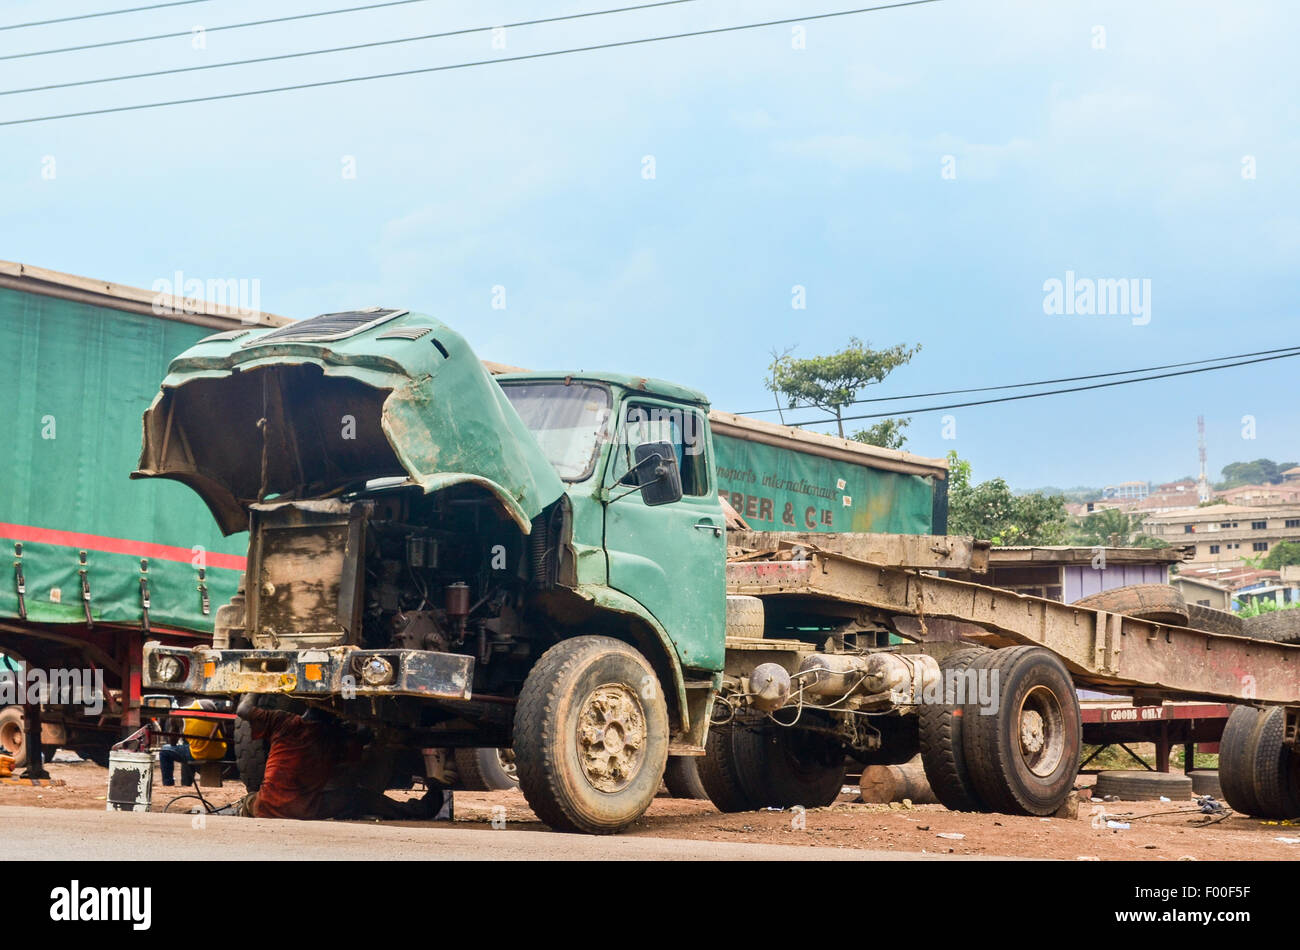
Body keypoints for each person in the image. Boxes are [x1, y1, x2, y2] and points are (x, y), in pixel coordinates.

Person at [230, 693, 446, 821]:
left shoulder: (283, 722)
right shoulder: (335, 738)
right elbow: (363, 747)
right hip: (305, 811)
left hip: (265, 807)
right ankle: (420, 810)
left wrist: (254, 682)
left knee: (252, 800)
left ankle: (244, 808)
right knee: (359, 797)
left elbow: (243, 710)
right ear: (336, 717)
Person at [158, 699, 225, 787]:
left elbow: (173, 743)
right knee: (187, 748)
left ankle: (168, 784)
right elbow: (223, 731)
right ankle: (186, 782)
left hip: (199, 754)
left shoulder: (177, 715)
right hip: (220, 751)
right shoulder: (207, 703)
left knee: (164, 751)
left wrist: (175, 727)